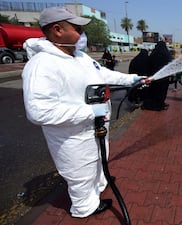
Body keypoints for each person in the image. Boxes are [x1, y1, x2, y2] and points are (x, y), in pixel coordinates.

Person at [21, 7, 147, 218]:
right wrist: (90, 111)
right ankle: (84, 208)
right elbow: (39, 111)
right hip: (73, 138)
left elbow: (103, 73)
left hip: (95, 130)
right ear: (57, 29)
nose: (82, 35)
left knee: (97, 163)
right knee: (80, 174)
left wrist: (132, 79)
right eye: (78, 29)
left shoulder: (80, 57)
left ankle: (98, 187)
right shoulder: (42, 65)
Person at [142, 40, 172, 111]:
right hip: (164, 79)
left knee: (154, 92)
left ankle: (154, 104)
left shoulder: (153, 53)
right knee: (162, 92)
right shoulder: (166, 54)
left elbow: (149, 65)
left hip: (154, 78)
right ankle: (160, 105)